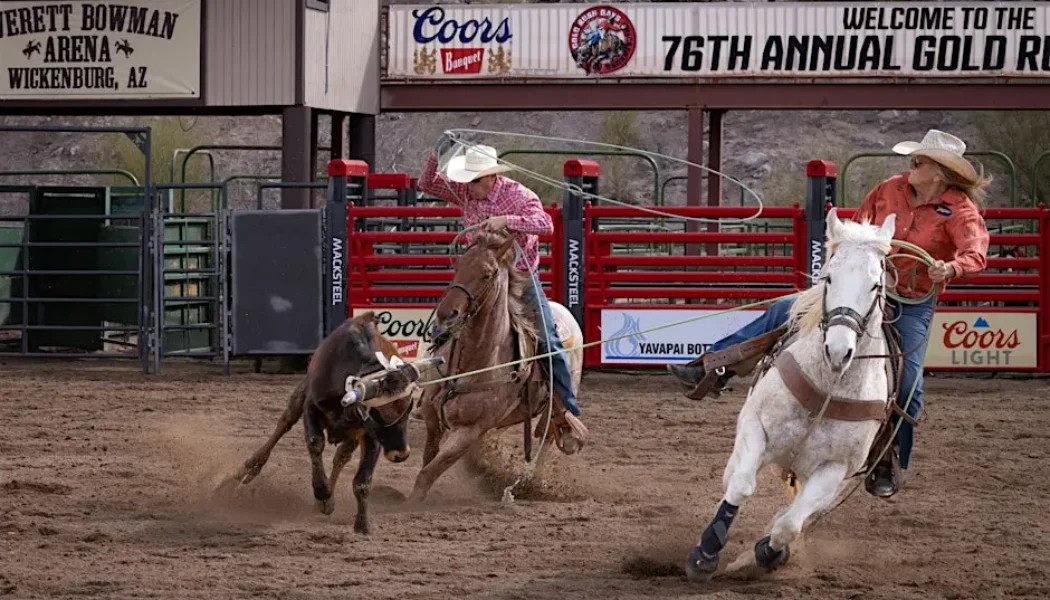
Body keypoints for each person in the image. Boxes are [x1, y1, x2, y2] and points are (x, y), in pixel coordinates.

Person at [667, 129, 991, 498]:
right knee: (783, 311)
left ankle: (888, 459)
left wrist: (950, 268)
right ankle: (712, 367)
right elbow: (854, 227)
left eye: (919, 162)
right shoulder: (889, 189)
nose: (911, 166)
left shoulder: (961, 210)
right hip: (859, 286)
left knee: (908, 382)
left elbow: (975, 252)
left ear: (939, 173)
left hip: (910, 301)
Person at [417, 134, 589, 451]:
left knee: (548, 339)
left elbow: (545, 225)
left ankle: (565, 408)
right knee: (444, 323)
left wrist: (506, 220)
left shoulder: (519, 195)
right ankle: (432, 392)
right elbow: (427, 184)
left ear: (493, 176)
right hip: (480, 278)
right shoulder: (465, 193)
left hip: (519, 278)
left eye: (475, 180)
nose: (469, 186)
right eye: (466, 179)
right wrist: (436, 151)